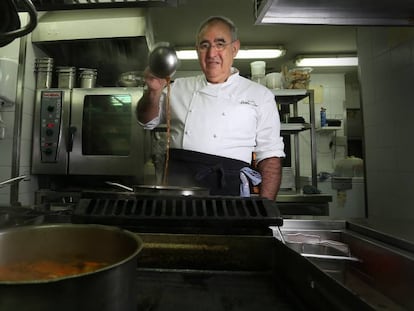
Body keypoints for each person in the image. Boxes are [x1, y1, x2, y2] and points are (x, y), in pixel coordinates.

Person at [137, 15, 285, 200]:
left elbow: (270, 158)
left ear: (235, 48)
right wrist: (152, 92)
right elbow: (146, 121)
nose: (211, 53)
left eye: (220, 44)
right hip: (178, 189)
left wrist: (266, 209)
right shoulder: (177, 87)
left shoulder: (260, 95)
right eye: (204, 45)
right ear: (197, 50)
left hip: (229, 193)